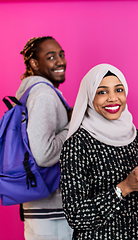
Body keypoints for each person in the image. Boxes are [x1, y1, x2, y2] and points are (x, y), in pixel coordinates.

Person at [60, 63, 138, 239]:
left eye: (118, 90)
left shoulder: (135, 137)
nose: (113, 98)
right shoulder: (77, 144)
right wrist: (124, 188)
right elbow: (76, 216)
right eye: (102, 92)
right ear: (90, 97)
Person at [16, 36, 73, 239]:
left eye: (61, 54)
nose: (60, 61)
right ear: (34, 63)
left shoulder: (35, 93)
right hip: (51, 213)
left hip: (43, 209)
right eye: (50, 57)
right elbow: (42, 154)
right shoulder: (44, 95)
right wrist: (72, 126)